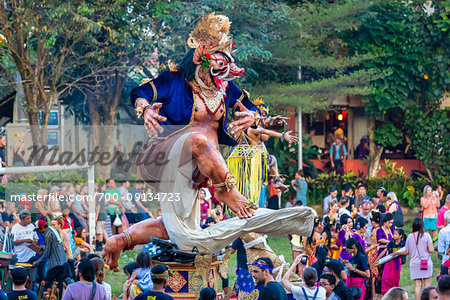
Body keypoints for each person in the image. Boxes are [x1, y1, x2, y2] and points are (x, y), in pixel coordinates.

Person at [396, 218, 434, 300]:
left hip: (414, 263)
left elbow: (407, 251)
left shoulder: (410, 236)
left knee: (417, 285)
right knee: (427, 286)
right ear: (422, 226)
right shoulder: (426, 235)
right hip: (426, 263)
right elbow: (431, 250)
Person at [32, 219, 67, 299]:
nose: (39, 232)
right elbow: (54, 246)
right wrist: (44, 247)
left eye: (38, 230)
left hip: (54, 264)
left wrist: (37, 262)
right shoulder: (54, 230)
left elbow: (47, 253)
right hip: (62, 262)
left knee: (47, 284)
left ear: (42, 228)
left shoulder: (47, 235)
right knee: (59, 284)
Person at [380, 228, 407, 295]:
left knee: (395, 277)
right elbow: (384, 251)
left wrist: (397, 253)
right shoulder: (391, 242)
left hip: (398, 262)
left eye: (396, 234)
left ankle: (394, 292)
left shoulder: (403, 243)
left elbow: (406, 252)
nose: (394, 235)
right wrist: (378, 259)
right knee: (385, 277)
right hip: (390, 261)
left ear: (400, 236)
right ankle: (386, 291)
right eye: (394, 234)